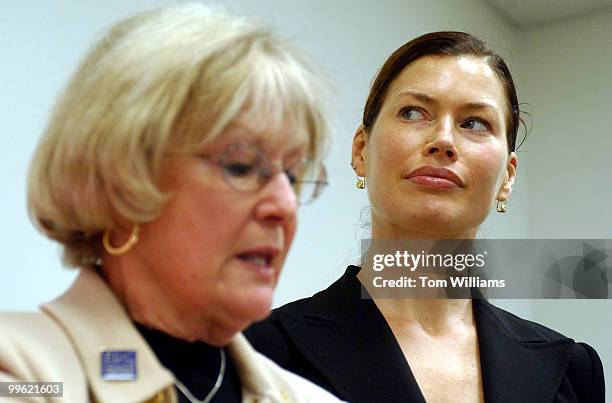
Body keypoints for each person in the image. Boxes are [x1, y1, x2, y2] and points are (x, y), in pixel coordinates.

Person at [0, 4, 345, 403]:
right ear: (122, 183)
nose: (285, 206)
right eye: (241, 166)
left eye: (291, 174)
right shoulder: (20, 371)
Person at [245, 32, 605, 403]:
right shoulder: (258, 353)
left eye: (475, 123)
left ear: (507, 177)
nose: (444, 140)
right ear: (361, 150)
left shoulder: (572, 372)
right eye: (413, 112)